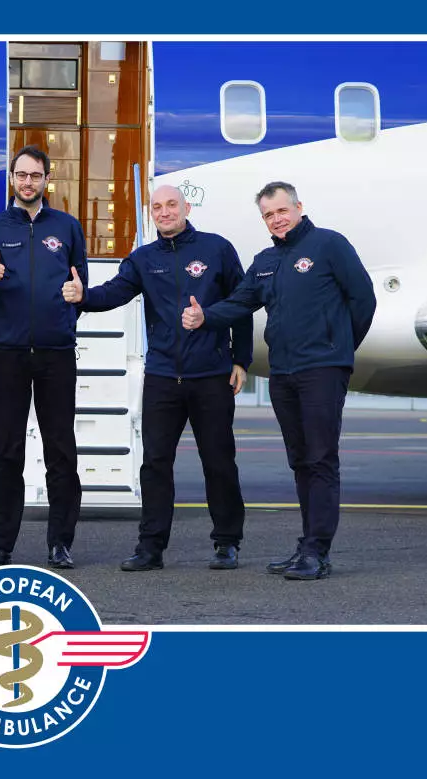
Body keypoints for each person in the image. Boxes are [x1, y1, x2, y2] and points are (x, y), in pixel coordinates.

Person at [182, 181, 376, 580]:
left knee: (321, 459)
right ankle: (308, 545)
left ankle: (317, 552)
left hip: (322, 369)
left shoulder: (329, 245)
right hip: (283, 373)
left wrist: (338, 346)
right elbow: (240, 302)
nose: (277, 219)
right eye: (269, 215)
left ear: (299, 207)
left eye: (282, 211)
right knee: (301, 460)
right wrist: (205, 318)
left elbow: (363, 298)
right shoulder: (266, 259)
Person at [63, 185, 252, 572]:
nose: (164, 212)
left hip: (211, 376)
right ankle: (151, 547)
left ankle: (227, 543)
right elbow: (111, 294)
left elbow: (241, 306)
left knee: (218, 462)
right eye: (157, 207)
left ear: (186, 207)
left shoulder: (217, 249)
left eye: (171, 205)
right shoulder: (143, 259)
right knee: (155, 464)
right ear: (151, 213)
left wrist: (241, 360)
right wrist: (82, 296)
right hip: (164, 377)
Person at [0, 145, 88, 570]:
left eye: (36, 175)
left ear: (46, 179)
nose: (28, 182)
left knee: (61, 450)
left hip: (56, 354)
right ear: (11, 178)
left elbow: (79, 283)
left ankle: (60, 543)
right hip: (9, 355)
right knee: (6, 452)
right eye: (21, 174)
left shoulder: (67, 228)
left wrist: (78, 295)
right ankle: (0, 544)